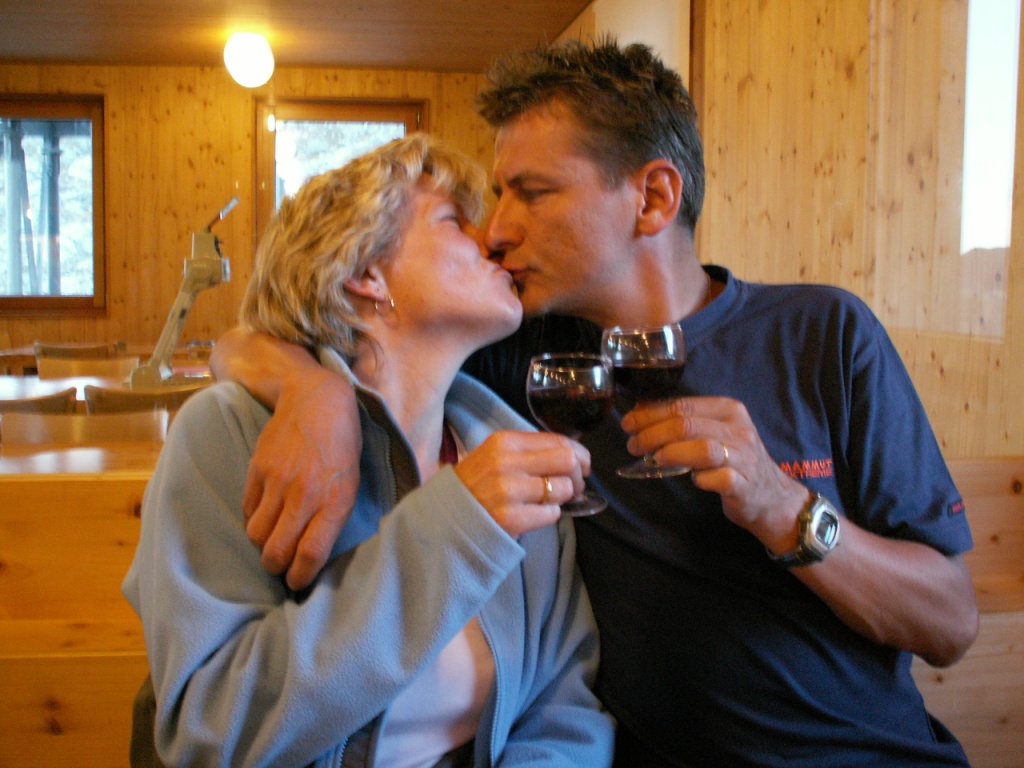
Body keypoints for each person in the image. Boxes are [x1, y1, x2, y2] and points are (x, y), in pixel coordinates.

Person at [210, 39, 980, 767]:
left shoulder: (822, 333)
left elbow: (950, 623)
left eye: (532, 193)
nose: (496, 231)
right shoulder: (522, 355)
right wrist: (314, 393)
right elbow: (251, 338)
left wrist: (784, 507)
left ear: (653, 198)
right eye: (497, 195)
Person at [122, 133, 614, 768]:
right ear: (366, 275)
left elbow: (563, 708)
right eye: (453, 220)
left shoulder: (513, 451)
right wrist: (457, 526)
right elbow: (212, 731)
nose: (491, 238)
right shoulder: (230, 435)